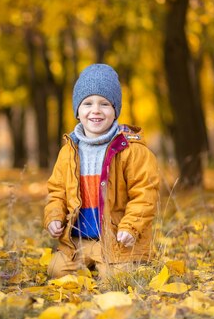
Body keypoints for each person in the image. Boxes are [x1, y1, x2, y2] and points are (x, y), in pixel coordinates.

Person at [44, 63, 159, 279]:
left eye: (104, 104)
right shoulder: (69, 151)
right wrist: (54, 217)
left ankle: (113, 265)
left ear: (115, 110)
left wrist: (131, 226)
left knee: (116, 278)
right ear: (77, 110)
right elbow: (57, 191)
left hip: (115, 239)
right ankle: (89, 264)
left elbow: (145, 193)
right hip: (78, 240)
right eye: (87, 103)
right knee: (56, 272)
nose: (95, 110)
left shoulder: (131, 150)